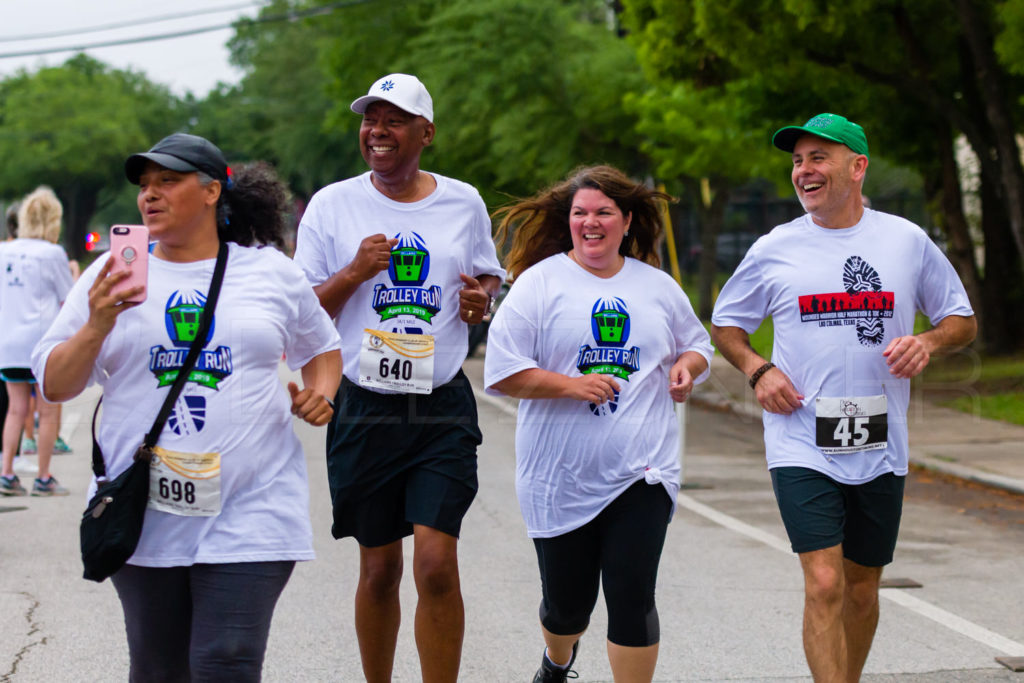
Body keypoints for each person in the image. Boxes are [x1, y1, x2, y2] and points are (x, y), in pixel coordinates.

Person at [31, 133, 341, 681]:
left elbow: (321, 347)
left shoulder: (270, 272)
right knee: (158, 668)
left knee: (227, 660)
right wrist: (97, 324)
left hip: (255, 505)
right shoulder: (109, 278)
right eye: (144, 185)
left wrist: (322, 391)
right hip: (146, 511)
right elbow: (55, 385)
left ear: (211, 191)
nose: (149, 195)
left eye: (167, 181)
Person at [710, 113, 977, 682]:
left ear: (857, 167)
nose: (803, 171)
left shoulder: (904, 240)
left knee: (861, 589)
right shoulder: (774, 248)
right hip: (801, 436)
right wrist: (759, 371)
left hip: (881, 440)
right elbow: (728, 325)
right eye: (797, 161)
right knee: (825, 582)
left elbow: (961, 319)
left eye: (817, 158)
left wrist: (928, 341)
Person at [293, 73, 505, 683]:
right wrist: (355, 272)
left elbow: (486, 277)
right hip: (365, 404)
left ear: (426, 132)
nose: (377, 132)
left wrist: (479, 301)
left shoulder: (462, 202)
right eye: (370, 120)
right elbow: (305, 313)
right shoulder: (333, 205)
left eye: (393, 120)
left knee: (436, 564)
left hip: (440, 404)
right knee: (379, 569)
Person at [484, 165, 714, 683]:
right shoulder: (539, 285)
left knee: (633, 597)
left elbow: (698, 344)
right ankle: (557, 659)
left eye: (603, 212)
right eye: (580, 213)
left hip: (642, 471)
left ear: (627, 221)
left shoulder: (656, 287)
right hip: (559, 476)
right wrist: (572, 385)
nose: (591, 223)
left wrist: (686, 368)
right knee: (568, 608)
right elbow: (502, 372)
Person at [0, 187, 74, 496]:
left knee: (15, 409)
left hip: (8, 343)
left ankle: (6, 474)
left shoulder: (4, 250)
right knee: (47, 411)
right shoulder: (52, 253)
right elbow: (69, 299)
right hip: (42, 343)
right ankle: (43, 477)